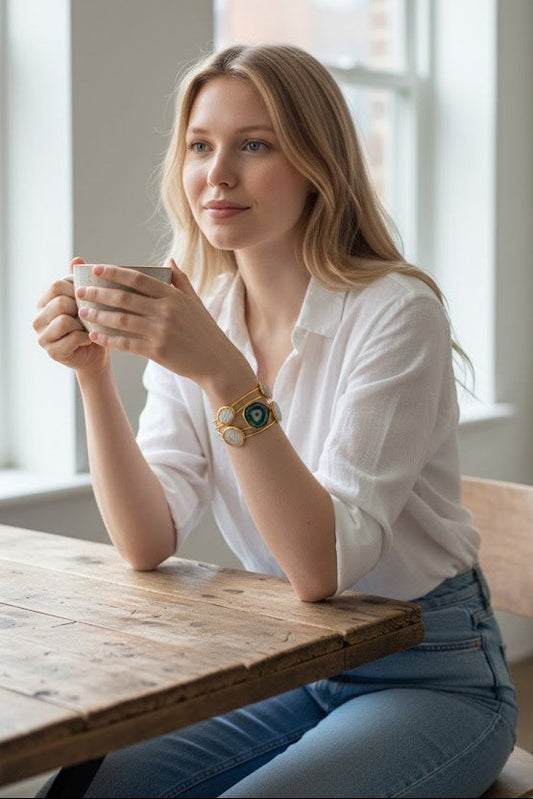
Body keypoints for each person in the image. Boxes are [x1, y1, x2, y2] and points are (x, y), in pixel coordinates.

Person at [33, 43, 517, 798]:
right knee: (89, 787)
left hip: (429, 672)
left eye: (253, 145)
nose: (216, 173)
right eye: (200, 145)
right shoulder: (207, 311)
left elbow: (321, 565)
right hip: (287, 661)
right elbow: (146, 537)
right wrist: (93, 376)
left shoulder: (395, 312)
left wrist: (224, 374)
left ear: (316, 165)